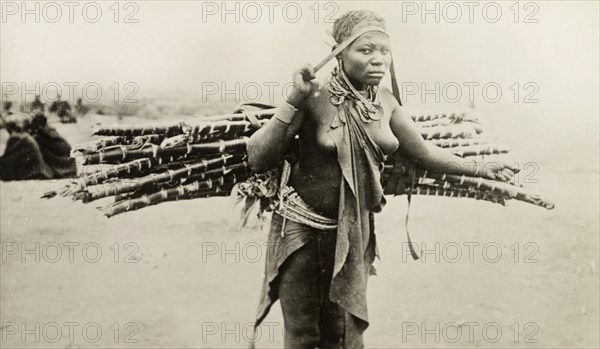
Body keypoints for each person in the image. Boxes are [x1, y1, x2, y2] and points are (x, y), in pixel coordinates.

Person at [246, 10, 518, 349]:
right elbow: (258, 158)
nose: (378, 60)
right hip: (302, 230)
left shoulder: (385, 103)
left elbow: (423, 152)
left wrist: (479, 168)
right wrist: (292, 100)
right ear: (339, 53)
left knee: (343, 333)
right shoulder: (313, 98)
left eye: (384, 51)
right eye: (365, 50)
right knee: (302, 334)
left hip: (353, 230)